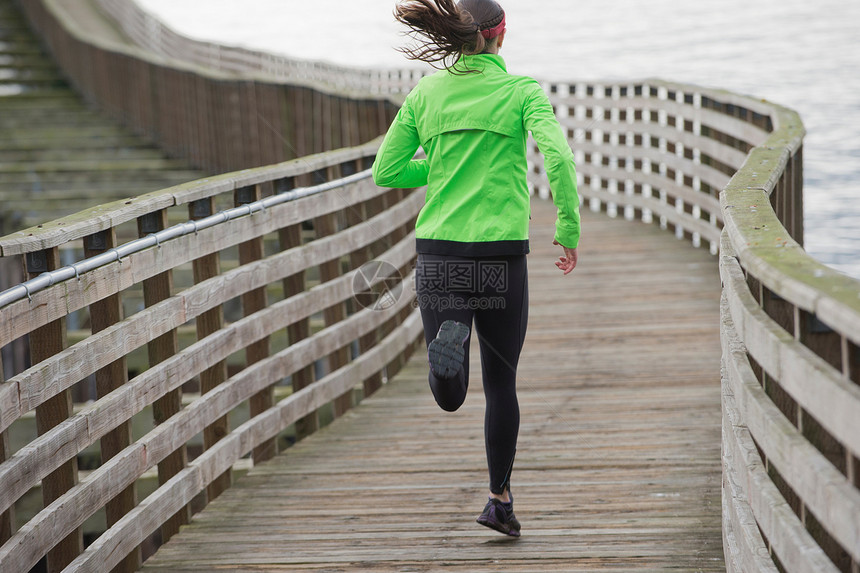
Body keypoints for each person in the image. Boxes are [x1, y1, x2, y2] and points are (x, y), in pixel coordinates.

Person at [372, 0, 580, 537]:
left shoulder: (427, 93)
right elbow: (556, 156)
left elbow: (387, 170)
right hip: (501, 257)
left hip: (439, 254)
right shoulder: (521, 92)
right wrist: (569, 226)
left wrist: (439, 165)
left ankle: (446, 368)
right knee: (502, 384)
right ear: (500, 35)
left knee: (454, 392)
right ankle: (498, 500)